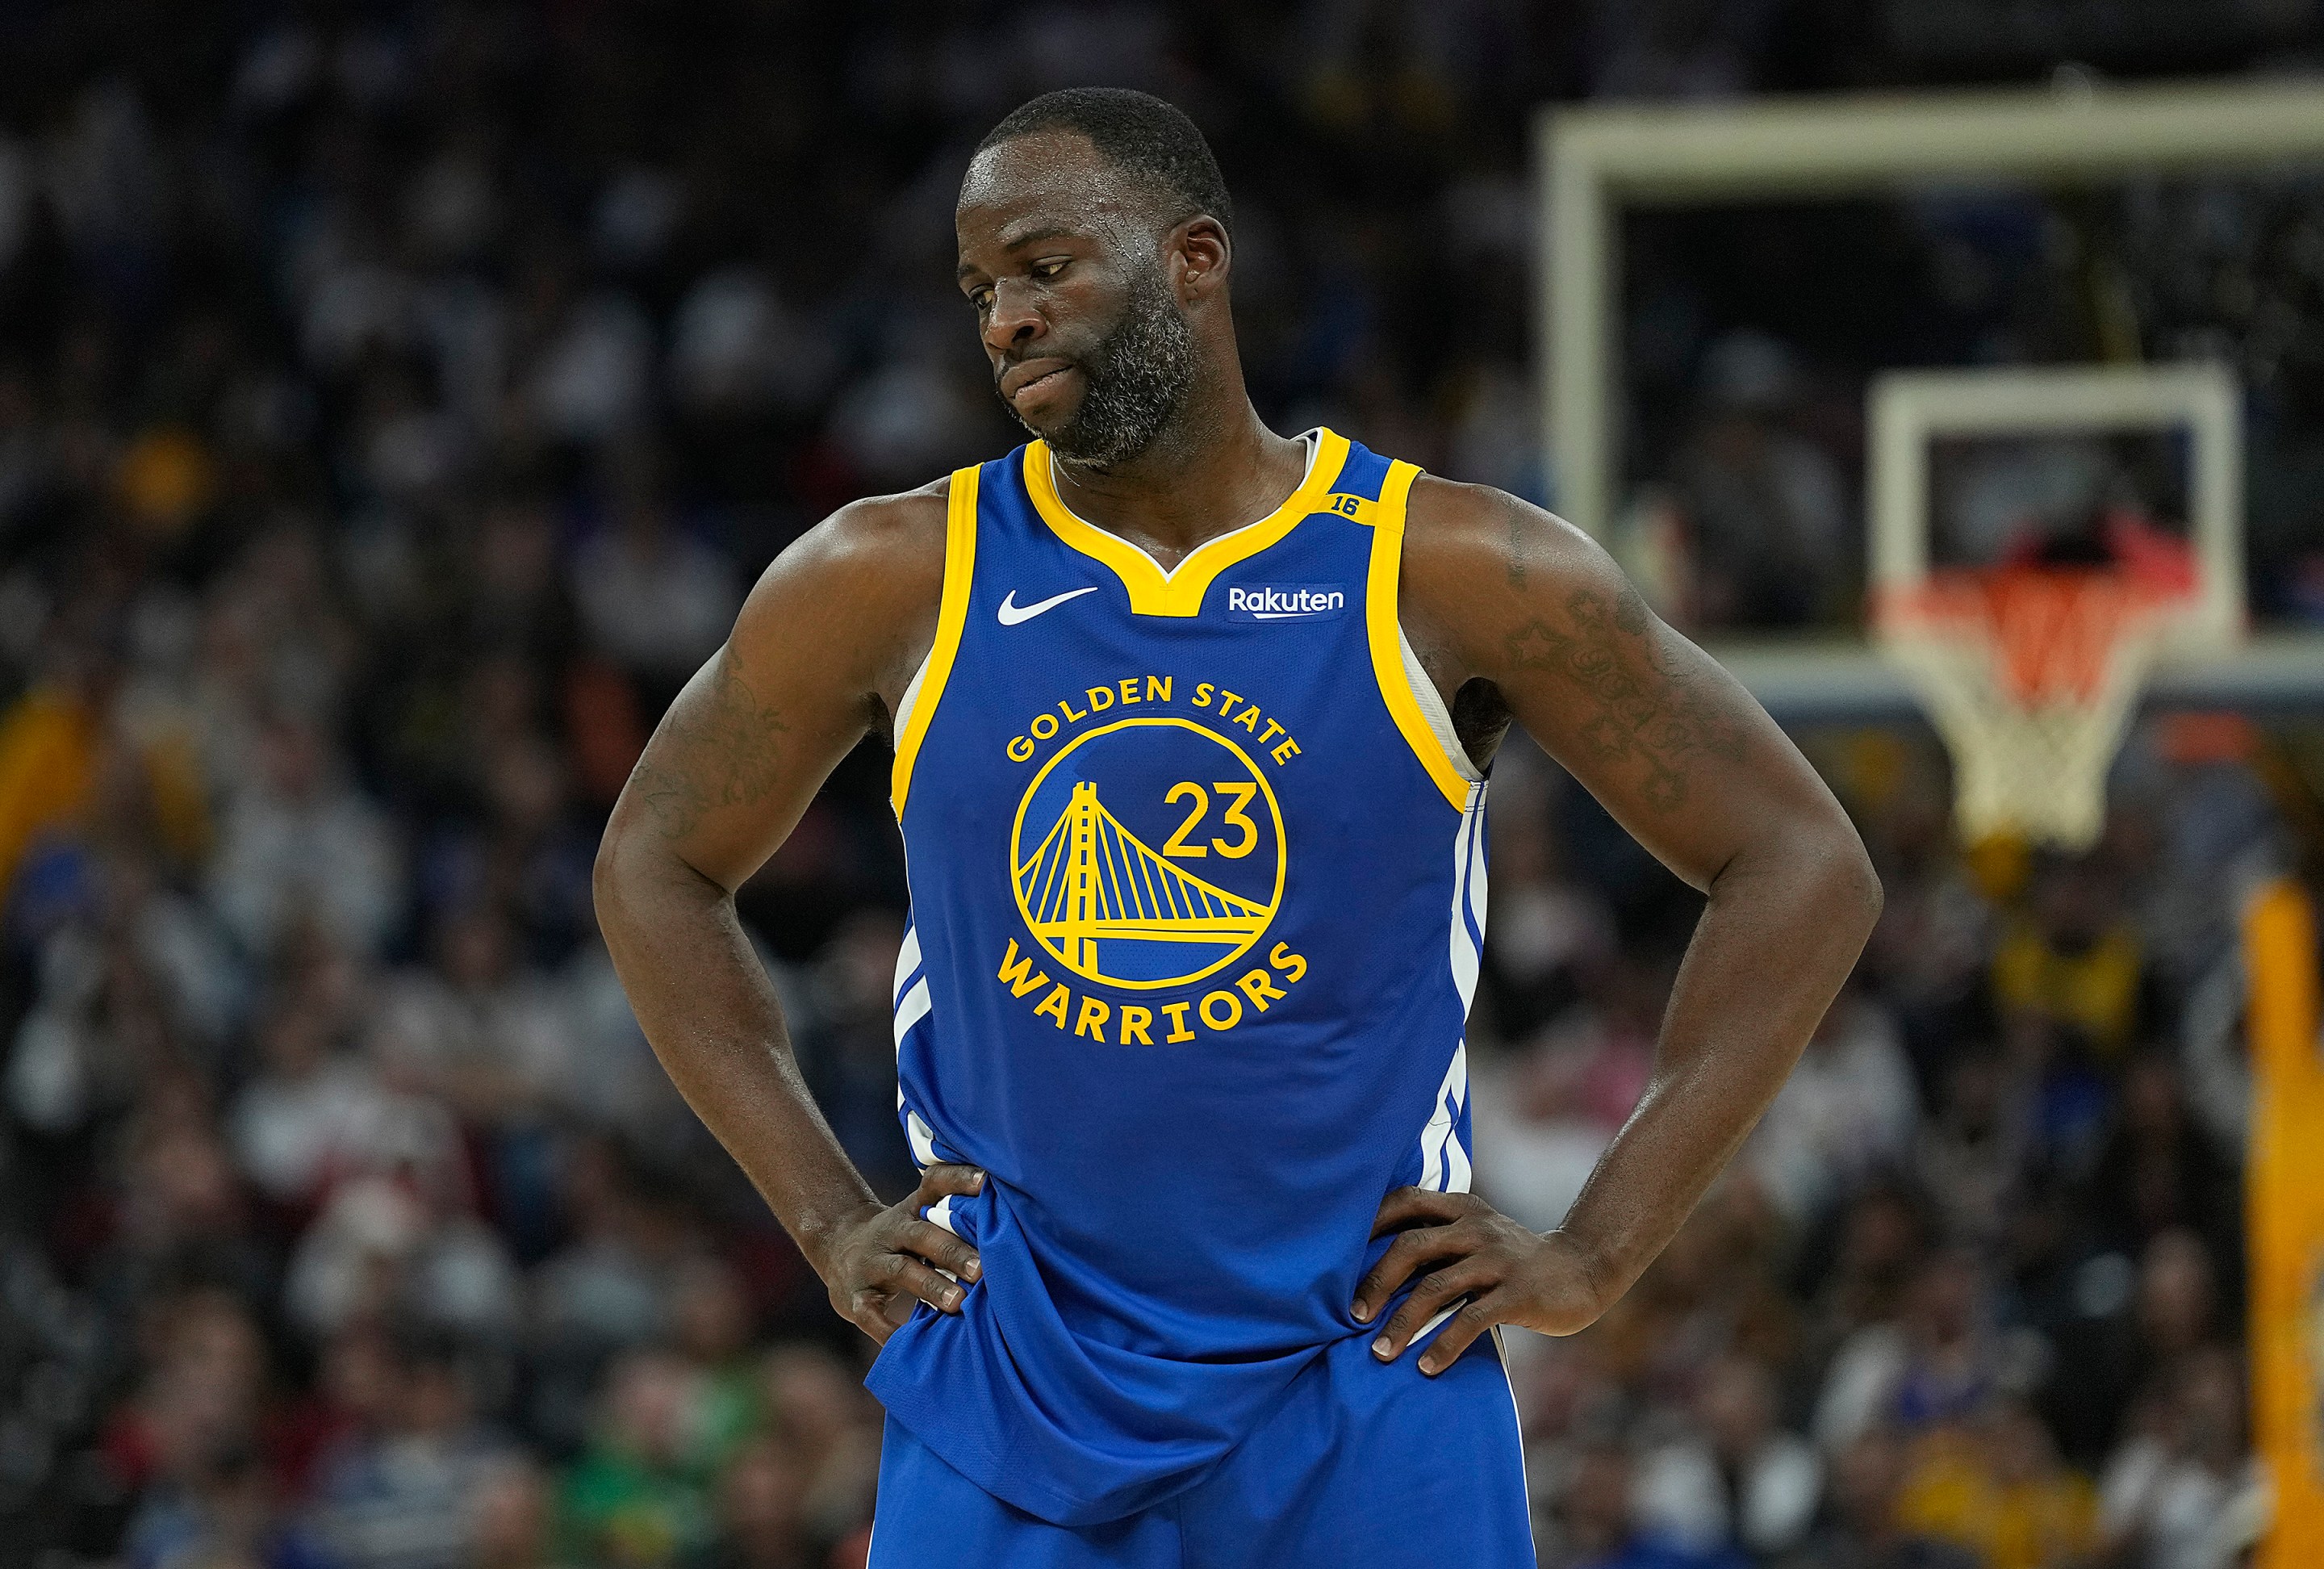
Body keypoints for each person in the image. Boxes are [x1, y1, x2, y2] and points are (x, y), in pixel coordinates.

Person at [593, 87, 1881, 1567]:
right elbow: (656, 861)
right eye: (979, 290)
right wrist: (822, 1218)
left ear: (1193, 258)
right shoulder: (888, 575)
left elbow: (1803, 866)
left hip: (1368, 1375)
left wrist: (1597, 1249)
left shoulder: (1452, 569)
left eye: (1044, 266)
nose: (1004, 318)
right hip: (1013, 1379)